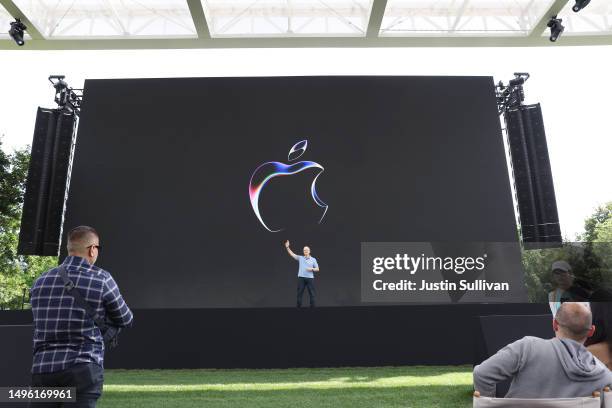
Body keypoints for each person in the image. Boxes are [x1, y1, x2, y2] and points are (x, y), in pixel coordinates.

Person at [30, 226, 133, 407]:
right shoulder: (102, 279)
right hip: (83, 368)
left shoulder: (40, 282)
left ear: (70, 249)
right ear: (92, 249)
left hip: (43, 368)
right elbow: (126, 318)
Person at [473, 302, 612, 398]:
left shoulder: (527, 348)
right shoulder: (604, 377)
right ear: (591, 331)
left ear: (554, 324)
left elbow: (481, 374)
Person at [284, 240, 320, 308]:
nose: (305, 251)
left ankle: (313, 309)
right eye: (304, 250)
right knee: (299, 294)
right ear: (303, 252)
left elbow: (318, 269)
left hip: (310, 279)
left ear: (309, 251)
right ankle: (298, 309)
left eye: (306, 250)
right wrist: (287, 247)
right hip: (301, 278)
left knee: (312, 294)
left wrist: (311, 269)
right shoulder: (300, 258)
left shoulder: (313, 259)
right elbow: (292, 254)